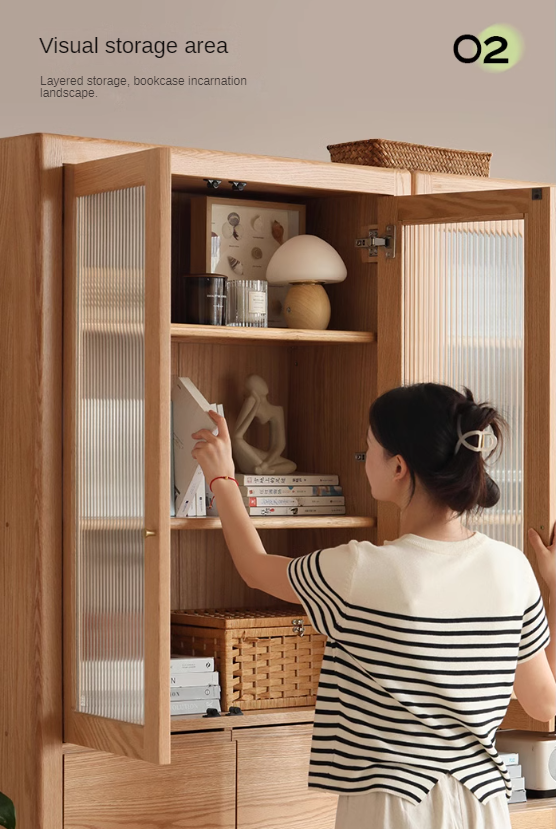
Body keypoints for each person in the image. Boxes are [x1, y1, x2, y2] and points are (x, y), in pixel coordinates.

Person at [191, 382, 555, 829]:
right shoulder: (513, 568)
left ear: (399, 466)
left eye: (368, 452)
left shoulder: (361, 570)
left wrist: (223, 478)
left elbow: (254, 567)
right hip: (484, 807)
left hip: (392, 807)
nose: (363, 462)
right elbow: (543, 701)